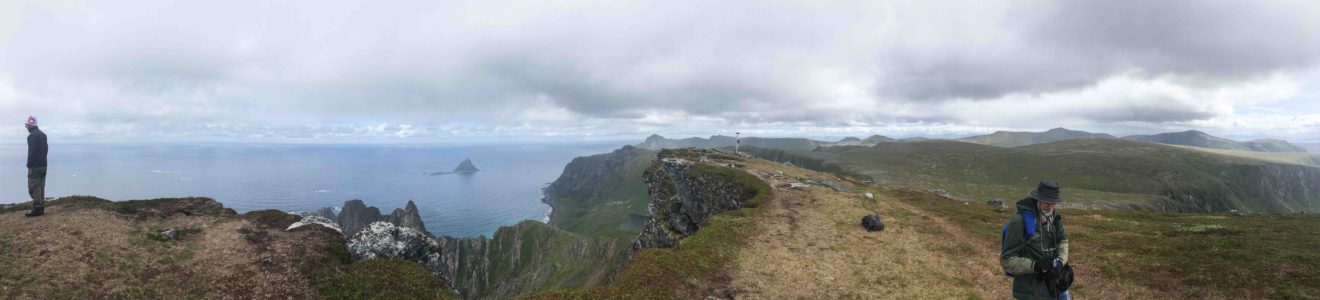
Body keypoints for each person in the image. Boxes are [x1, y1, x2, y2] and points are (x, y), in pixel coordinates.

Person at [1000, 180, 1070, 299]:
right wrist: (1035, 265)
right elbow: (1007, 260)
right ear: (1038, 198)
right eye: (1047, 202)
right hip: (1031, 292)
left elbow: (1063, 240)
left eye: (1054, 203)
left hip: (1055, 286)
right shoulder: (1019, 221)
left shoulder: (1054, 216)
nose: (1051, 207)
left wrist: (1060, 261)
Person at [25, 116, 47, 217]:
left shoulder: (32, 136)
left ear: (30, 125)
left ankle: (37, 209)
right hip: (43, 164)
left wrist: (29, 164)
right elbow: (46, 149)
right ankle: (40, 207)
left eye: (26, 125)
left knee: (33, 187)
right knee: (41, 186)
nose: (26, 127)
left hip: (35, 166)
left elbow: (32, 152)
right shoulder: (43, 135)